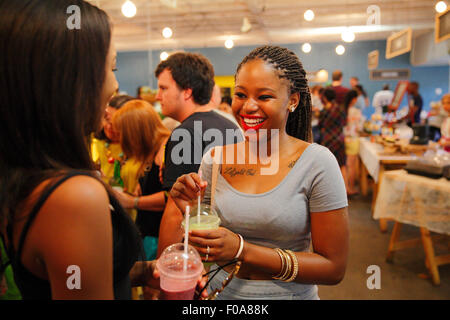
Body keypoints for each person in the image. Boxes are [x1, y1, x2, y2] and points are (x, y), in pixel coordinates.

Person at [0, 0, 207, 300]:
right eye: (111, 68)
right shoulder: (74, 197)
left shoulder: (29, 175)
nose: (115, 84)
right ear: (71, 81)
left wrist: (145, 271)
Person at [168, 45, 349, 300]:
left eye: (264, 97)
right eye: (241, 95)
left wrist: (242, 249)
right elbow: (202, 248)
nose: (248, 107)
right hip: (220, 294)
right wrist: (191, 211)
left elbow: (333, 268)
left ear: (293, 101)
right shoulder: (215, 159)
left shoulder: (317, 163)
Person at [155, 52, 243, 257]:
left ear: (186, 92)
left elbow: (176, 212)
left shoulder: (186, 134)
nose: (158, 96)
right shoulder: (231, 126)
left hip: (198, 251)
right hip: (229, 245)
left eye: (163, 88)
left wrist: (164, 267)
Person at [111, 99, 171, 261]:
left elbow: (170, 197)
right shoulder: (151, 150)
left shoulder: (165, 151)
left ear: (135, 132)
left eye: (123, 133)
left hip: (158, 237)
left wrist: (133, 202)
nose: (121, 139)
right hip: (148, 232)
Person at [91, 94, 134, 184]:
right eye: (107, 119)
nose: (110, 126)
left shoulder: (137, 149)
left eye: (116, 122)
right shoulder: (94, 144)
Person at [319, 88, 348, 190]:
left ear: (325, 98)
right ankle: (346, 189)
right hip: (339, 139)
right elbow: (345, 122)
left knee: (328, 166)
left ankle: (331, 190)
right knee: (342, 165)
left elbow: (320, 124)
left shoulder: (324, 111)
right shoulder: (340, 108)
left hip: (328, 140)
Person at [343, 90, 363, 196]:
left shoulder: (343, 110)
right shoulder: (356, 111)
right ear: (354, 99)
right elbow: (360, 127)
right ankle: (350, 188)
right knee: (351, 165)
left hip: (344, 139)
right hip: (354, 139)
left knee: (344, 166)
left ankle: (344, 187)